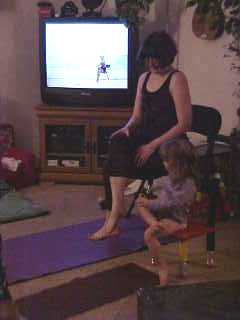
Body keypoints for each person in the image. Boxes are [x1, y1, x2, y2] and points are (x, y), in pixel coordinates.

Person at [89, 30, 193, 241]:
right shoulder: (143, 78)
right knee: (117, 142)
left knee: (112, 166)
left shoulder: (177, 79)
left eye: (155, 59)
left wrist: (152, 146)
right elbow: (136, 116)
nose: (151, 64)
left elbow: (184, 124)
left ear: (166, 56)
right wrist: (127, 127)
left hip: (168, 146)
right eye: (148, 59)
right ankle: (116, 211)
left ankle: (113, 218)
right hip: (145, 140)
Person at [136, 138, 197, 287]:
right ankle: (154, 223)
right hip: (159, 216)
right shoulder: (165, 179)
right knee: (140, 204)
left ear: (178, 164)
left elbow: (169, 204)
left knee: (148, 234)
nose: (164, 163)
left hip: (176, 220)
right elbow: (153, 190)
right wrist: (145, 194)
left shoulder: (189, 185)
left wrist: (150, 202)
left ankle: (162, 268)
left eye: (166, 160)